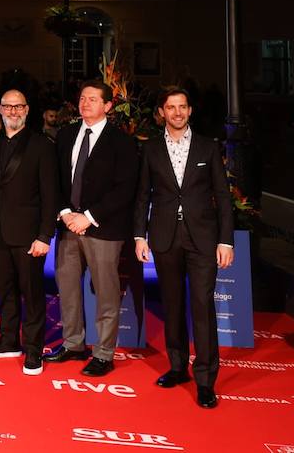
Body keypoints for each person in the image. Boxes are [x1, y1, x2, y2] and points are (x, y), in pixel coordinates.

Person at [134, 87, 235, 409]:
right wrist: (139, 236)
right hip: (165, 237)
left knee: (202, 306)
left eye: (182, 107)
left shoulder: (208, 147)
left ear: (190, 110)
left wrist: (226, 240)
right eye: (170, 107)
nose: (177, 112)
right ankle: (178, 367)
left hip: (203, 239)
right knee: (173, 305)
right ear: (162, 112)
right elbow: (142, 196)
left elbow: (223, 196)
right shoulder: (150, 149)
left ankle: (206, 380)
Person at [44, 80, 138, 377]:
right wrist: (66, 213)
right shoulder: (66, 134)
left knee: (106, 293)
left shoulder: (122, 142)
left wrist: (89, 216)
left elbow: (125, 189)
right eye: (82, 98)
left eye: (93, 99)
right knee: (68, 288)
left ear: (108, 106)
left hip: (103, 228)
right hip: (68, 226)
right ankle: (73, 345)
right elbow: (55, 180)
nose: (85, 103)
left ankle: (103, 353)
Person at [0, 88, 57, 374]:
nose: (13, 112)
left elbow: (50, 195)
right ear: (0, 110)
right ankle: (8, 340)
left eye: (19, 107)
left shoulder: (42, 146)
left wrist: (44, 235)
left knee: (33, 293)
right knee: (5, 291)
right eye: (8, 107)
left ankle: (34, 350)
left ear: (27, 110)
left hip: (29, 236)